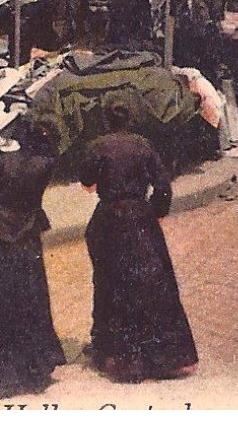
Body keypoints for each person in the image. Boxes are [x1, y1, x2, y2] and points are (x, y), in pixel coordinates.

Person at [80, 104, 198, 382]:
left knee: (110, 282)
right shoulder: (144, 146)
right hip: (141, 219)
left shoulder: (98, 146)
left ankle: (116, 353)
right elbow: (163, 185)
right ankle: (165, 355)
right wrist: (154, 211)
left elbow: (86, 182)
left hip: (109, 218)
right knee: (154, 283)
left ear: (106, 121)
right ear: (131, 120)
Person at [0, 114, 69, 395]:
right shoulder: (43, 163)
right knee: (31, 301)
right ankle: (35, 366)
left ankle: (2, 373)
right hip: (27, 237)